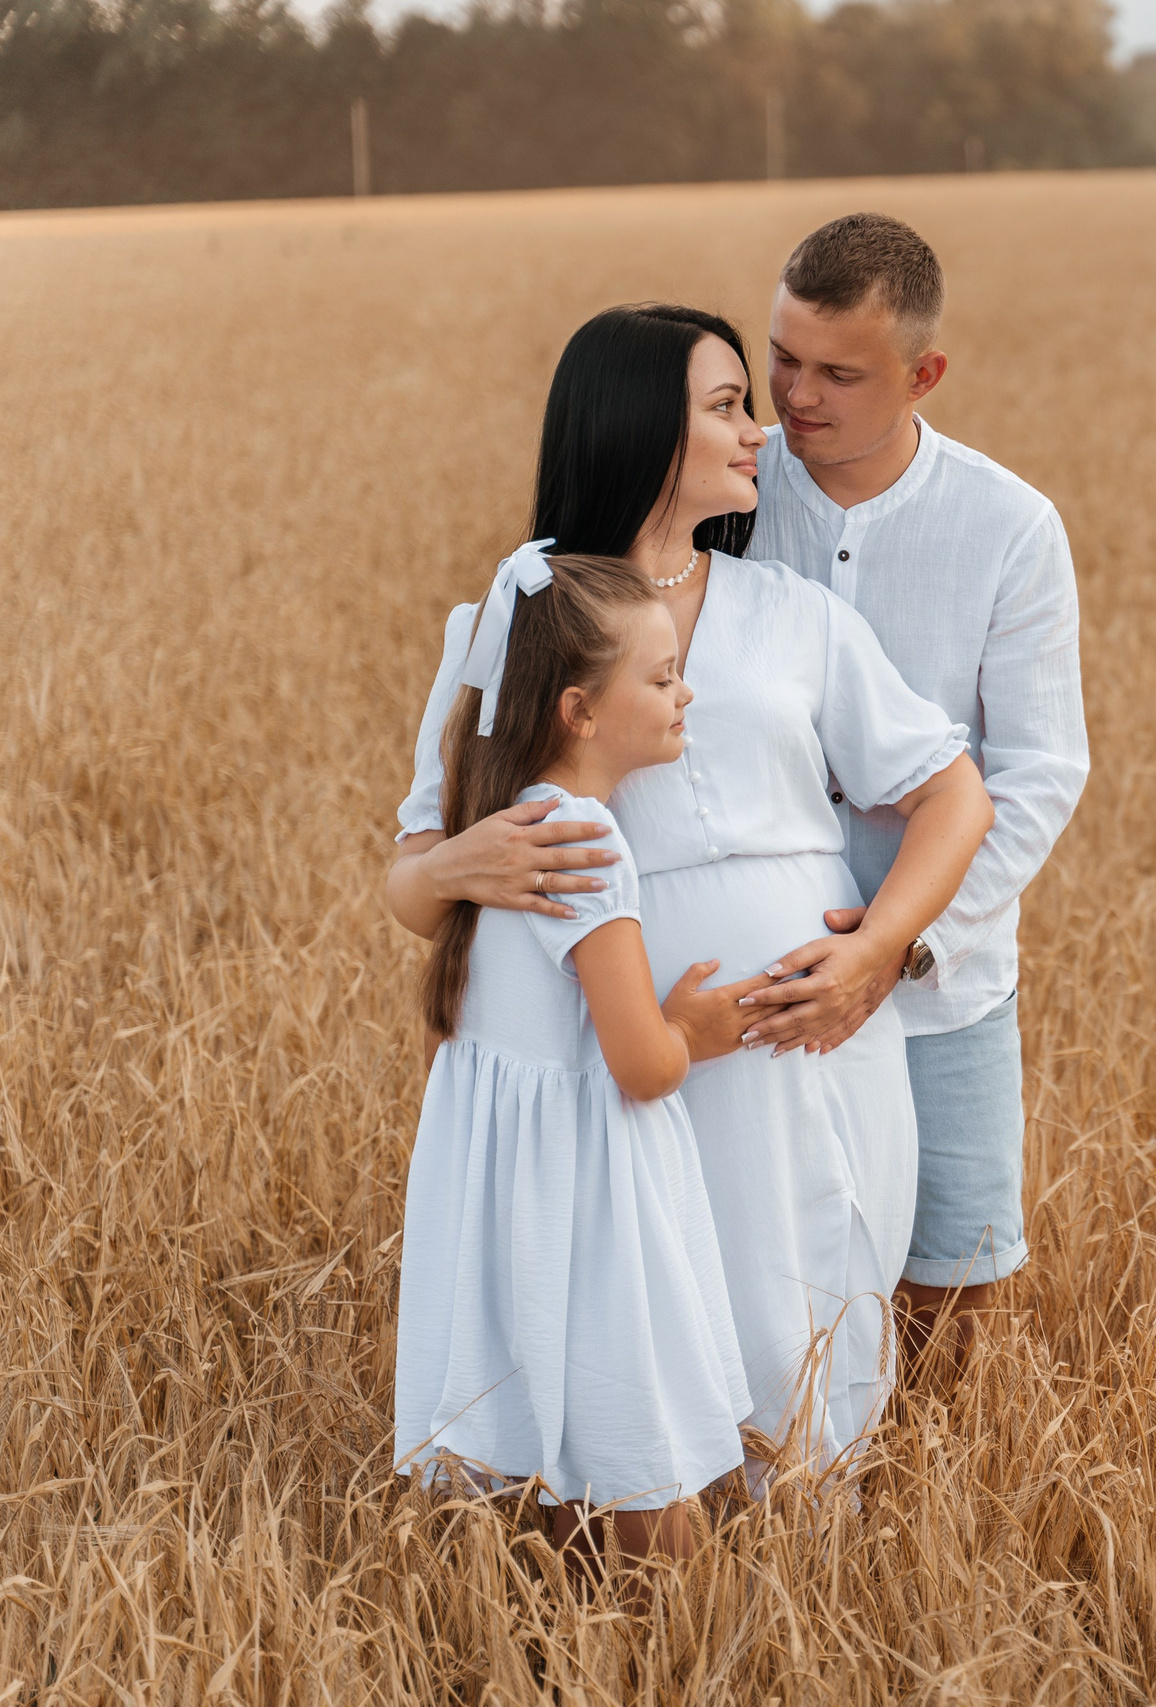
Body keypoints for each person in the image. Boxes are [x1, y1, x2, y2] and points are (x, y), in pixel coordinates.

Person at [387, 304, 995, 1479]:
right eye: (725, 406)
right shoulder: (518, 619)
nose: (758, 430)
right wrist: (458, 864)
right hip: (633, 1052)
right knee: (655, 1322)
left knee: (815, 1292)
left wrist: (879, 951)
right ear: (637, 430)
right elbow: (413, 887)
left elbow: (954, 795)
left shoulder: (797, 616)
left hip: (809, 1035)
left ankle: (809, 1583)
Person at [741, 213, 1089, 1377]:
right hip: (754, 975)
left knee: (948, 1278)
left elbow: (1038, 771)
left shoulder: (1009, 528)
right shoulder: (721, 497)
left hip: (946, 984)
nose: (794, 395)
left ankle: (916, 1531)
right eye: (783, 356)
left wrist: (897, 946)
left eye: (839, 372)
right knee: (766, 1274)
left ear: (923, 374)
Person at [393, 547, 752, 1575]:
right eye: (662, 676)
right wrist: (699, 1030)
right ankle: (665, 1663)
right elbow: (640, 1064)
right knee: (648, 1478)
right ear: (580, 714)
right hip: (598, 1207)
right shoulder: (585, 841)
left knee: (576, 1467)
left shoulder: (504, 823)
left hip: (523, 1198)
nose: (686, 692)